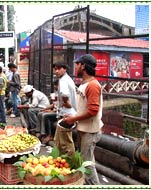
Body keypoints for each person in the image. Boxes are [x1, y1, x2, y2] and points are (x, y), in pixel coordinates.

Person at [64, 54, 103, 185]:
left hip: (90, 131)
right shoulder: (84, 84)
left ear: (83, 66)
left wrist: (73, 118)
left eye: (77, 64)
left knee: (87, 164)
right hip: (84, 129)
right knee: (85, 160)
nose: (75, 67)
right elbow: (82, 107)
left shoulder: (92, 85)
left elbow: (93, 111)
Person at [53, 61, 77, 158]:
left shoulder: (63, 80)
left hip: (67, 114)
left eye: (59, 69)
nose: (56, 71)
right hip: (68, 113)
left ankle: (70, 161)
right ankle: (59, 159)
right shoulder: (67, 79)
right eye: (55, 69)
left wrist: (66, 102)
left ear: (65, 69)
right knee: (58, 140)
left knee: (65, 142)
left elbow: (65, 94)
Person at [35, 79, 59, 144]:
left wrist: (54, 110)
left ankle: (48, 134)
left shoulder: (62, 93)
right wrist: (45, 109)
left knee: (45, 115)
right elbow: (54, 104)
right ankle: (39, 131)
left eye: (56, 86)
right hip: (55, 110)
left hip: (59, 112)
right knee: (40, 113)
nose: (55, 87)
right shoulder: (56, 93)